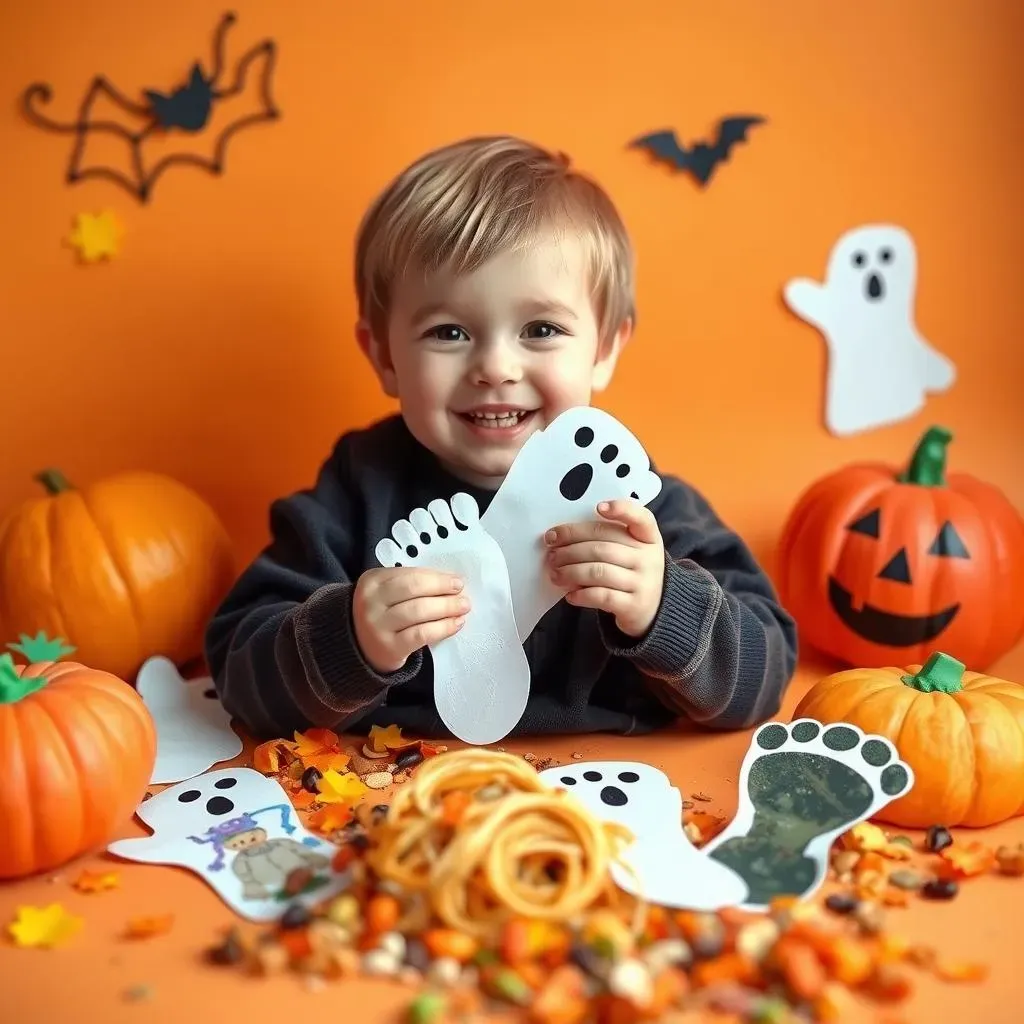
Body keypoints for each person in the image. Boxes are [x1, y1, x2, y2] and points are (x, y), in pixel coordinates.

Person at [204, 135, 798, 741]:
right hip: (393, 787)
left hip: (607, 796)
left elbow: (767, 670)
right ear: (383, 354)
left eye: (541, 329)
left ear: (605, 349)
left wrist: (662, 607)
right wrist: (349, 639)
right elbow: (238, 668)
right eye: (449, 332)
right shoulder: (356, 497)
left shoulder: (640, 512)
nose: (495, 366)